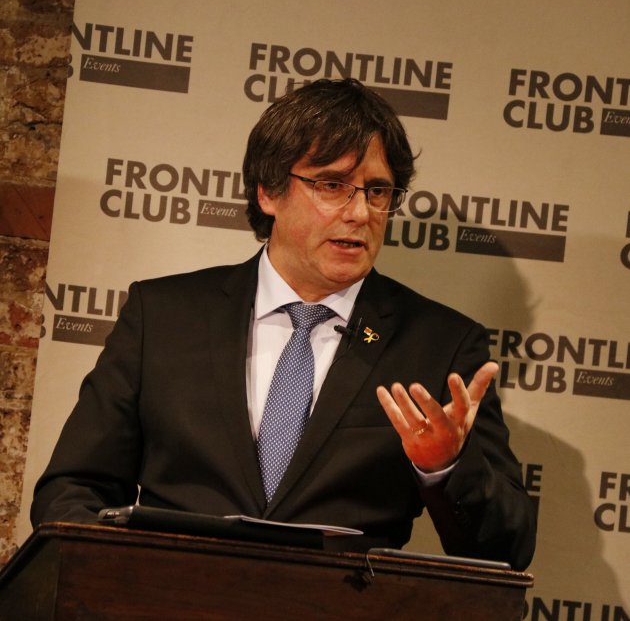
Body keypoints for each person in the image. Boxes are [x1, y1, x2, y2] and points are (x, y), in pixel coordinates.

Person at [31, 78, 536, 570]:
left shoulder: (441, 346)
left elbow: (507, 549)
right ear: (269, 192)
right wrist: (125, 581)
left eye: (378, 190)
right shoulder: (162, 316)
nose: (360, 212)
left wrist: (444, 468)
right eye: (332, 185)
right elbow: (73, 489)